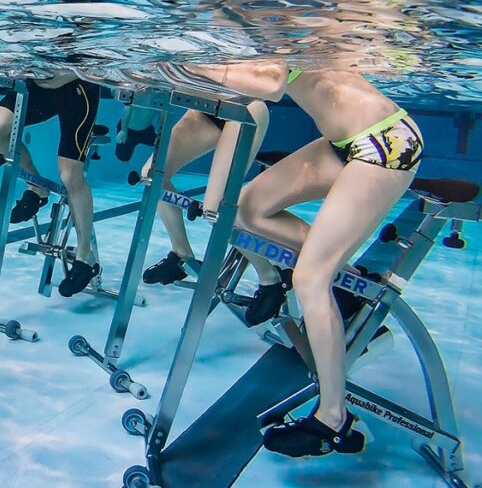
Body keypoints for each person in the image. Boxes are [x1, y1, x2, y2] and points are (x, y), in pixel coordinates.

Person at [192, 62, 422, 458]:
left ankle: (334, 418)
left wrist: (190, 64)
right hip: (342, 141)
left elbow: (272, 84)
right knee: (248, 208)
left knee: (310, 278)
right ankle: (347, 291)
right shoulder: (257, 21)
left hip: (384, 142)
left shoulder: (275, 13)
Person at [140, 62, 277, 286]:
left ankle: (269, 277)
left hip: (245, 108)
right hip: (206, 107)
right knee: (152, 175)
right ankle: (181, 252)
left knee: (215, 207)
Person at [0, 70, 102, 297]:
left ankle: (86, 255)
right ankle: (37, 188)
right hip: (37, 86)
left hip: (77, 88)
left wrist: (70, 73)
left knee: (70, 175)